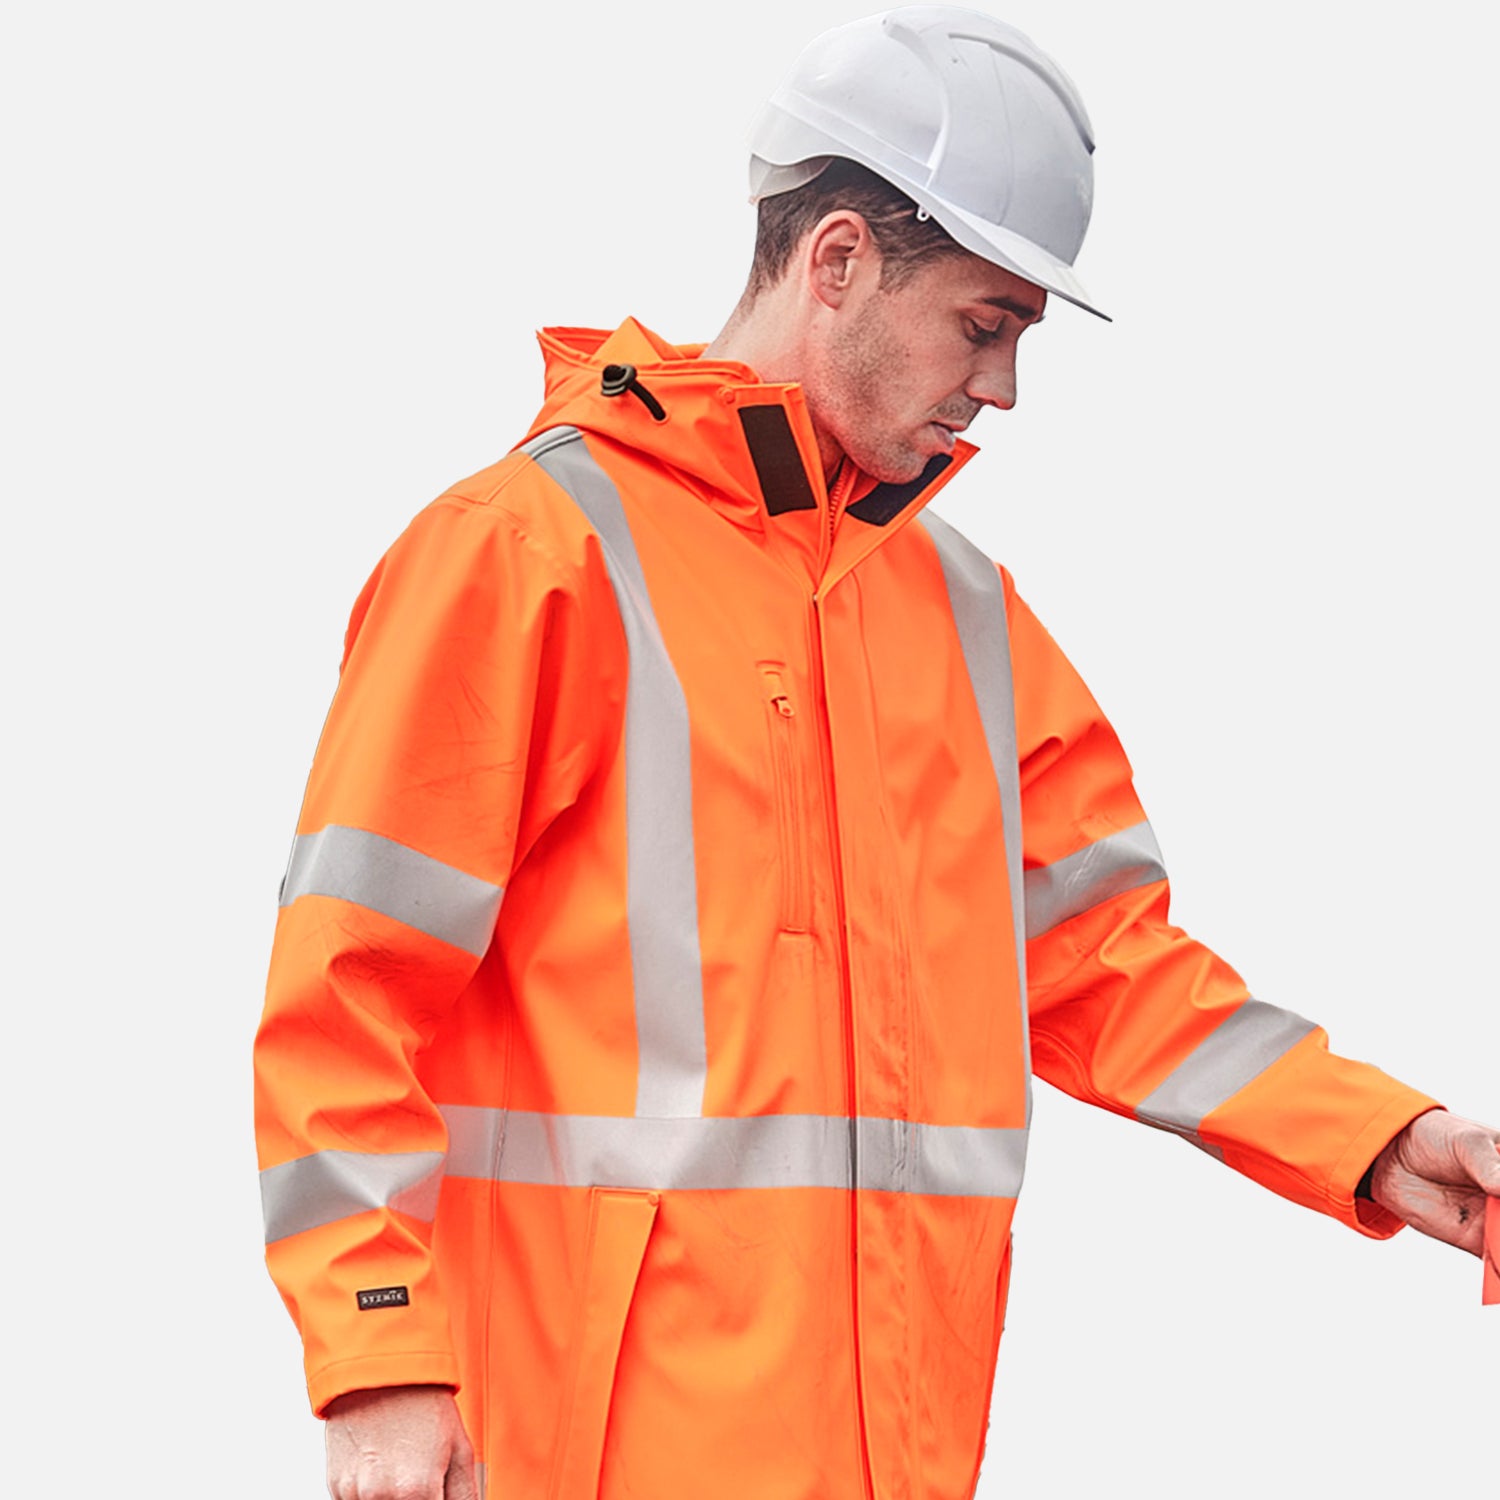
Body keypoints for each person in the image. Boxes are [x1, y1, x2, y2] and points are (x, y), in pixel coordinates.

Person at [254, 9, 1500, 1499]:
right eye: (987, 325)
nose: (1005, 390)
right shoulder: (527, 557)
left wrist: (1379, 1137)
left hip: (894, 1456)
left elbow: (1106, 965)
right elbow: (346, 991)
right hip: (581, 1453)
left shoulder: (966, 615)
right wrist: (379, 1352)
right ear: (837, 259)